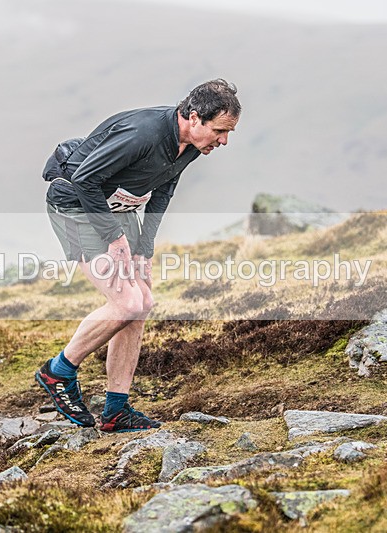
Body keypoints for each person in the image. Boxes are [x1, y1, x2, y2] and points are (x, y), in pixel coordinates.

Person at [36, 79, 241, 432]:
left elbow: (163, 191)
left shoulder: (192, 145)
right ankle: (58, 371)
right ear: (194, 117)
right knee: (127, 302)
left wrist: (144, 250)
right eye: (220, 131)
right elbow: (85, 179)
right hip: (76, 205)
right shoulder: (143, 134)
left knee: (142, 302)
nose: (223, 141)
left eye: (229, 133)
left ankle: (116, 410)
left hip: (118, 207)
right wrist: (115, 239)